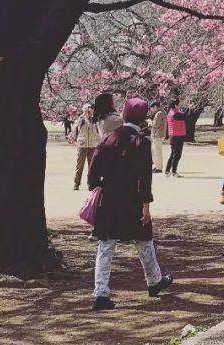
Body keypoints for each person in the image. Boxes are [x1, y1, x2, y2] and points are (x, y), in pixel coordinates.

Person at [88, 97, 173, 312]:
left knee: (106, 246)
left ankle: (101, 293)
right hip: (132, 201)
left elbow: (92, 177)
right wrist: (146, 207)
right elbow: (145, 178)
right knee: (144, 241)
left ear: (124, 114)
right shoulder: (141, 143)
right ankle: (154, 281)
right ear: (144, 117)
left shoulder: (107, 139)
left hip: (108, 201)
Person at [71, 103, 101, 191]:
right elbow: (75, 130)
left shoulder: (95, 120)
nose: (89, 111)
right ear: (84, 110)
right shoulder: (80, 119)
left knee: (91, 166)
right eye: (87, 109)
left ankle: (91, 184)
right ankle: (76, 183)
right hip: (82, 145)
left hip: (93, 145)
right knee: (80, 165)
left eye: (90, 109)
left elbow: (99, 130)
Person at [164, 102, 188, 176]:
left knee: (173, 154)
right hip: (177, 136)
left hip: (175, 135)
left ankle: (168, 171)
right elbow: (184, 116)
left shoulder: (172, 112)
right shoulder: (174, 114)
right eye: (179, 104)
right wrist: (189, 108)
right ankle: (173, 171)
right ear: (175, 105)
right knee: (177, 154)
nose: (180, 105)